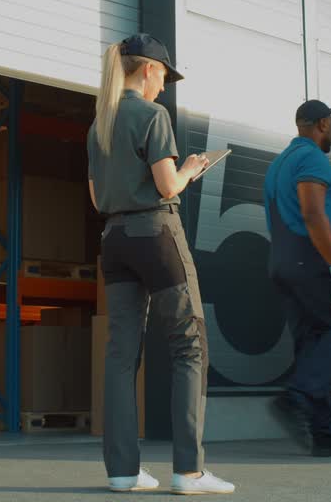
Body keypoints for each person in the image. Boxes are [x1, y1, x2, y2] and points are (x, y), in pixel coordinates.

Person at [87, 33, 235, 496]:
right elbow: (168, 186)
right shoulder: (153, 116)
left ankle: (122, 472)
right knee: (189, 345)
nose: (164, 87)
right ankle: (189, 472)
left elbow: (96, 197)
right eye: (164, 76)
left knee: (120, 354)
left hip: (114, 240)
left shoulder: (99, 124)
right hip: (155, 236)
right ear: (149, 68)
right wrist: (192, 169)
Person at [262, 100, 331, 457]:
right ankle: (298, 395)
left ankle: (326, 436)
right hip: (312, 260)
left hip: (282, 263)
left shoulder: (278, 164)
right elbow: (312, 213)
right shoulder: (313, 160)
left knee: (312, 344)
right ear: (322, 123)